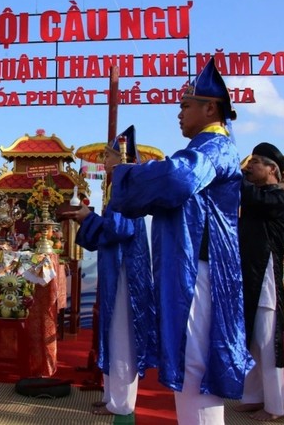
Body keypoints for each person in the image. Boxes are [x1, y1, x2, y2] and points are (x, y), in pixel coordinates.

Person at [108, 59, 254, 424]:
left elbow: (177, 180)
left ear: (210, 107)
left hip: (201, 273)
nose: (179, 113)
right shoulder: (207, 148)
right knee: (192, 369)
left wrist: (126, 173)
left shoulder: (214, 148)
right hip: (194, 271)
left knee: (196, 367)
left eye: (185, 105)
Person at [63, 125, 158, 416]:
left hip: (125, 273)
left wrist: (86, 217)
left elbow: (121, 228)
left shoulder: (127, 188)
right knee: (112, 332)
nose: (104, 162)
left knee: (121, 335)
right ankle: (112, 396)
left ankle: (122, 403)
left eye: (108, 156)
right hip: (115, 268)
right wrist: (87, 220)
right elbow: (110, 231)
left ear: (122, 159)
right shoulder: (118, 188)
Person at [234, 142, 284, 421]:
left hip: (266, 280)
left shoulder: (278, 197)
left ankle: (275, 406)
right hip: (250, 276)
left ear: (272, 170)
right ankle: (254, 396)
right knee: (253, 340)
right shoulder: (255, 195)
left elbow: (251, 197)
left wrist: (235, 174)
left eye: (256, 162)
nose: (250, 166)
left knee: (269, 344)